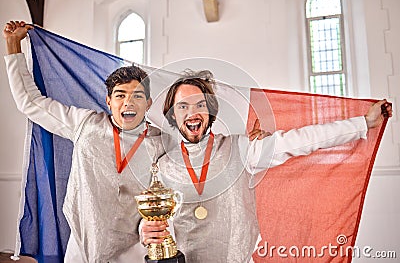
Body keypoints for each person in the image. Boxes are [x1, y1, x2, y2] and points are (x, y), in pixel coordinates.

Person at [141, 70, 393, 262]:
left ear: (211, 111)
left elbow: (303, 140)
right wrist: (144, 230)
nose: (192, 112)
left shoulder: (242, 148)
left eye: (200, 104)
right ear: (173, 115)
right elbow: (147, 222)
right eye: (183, 106)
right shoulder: (162, 168)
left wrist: (363, 123)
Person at [3, 21, 164, 262]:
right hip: (81, 248)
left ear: (148, 103)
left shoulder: (162, 143)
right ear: (109, 101)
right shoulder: (85, 124)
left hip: (134, 251)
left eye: (137, 96)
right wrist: (13, 45)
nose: (128, 103)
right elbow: (30, 101)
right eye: (120, 96)